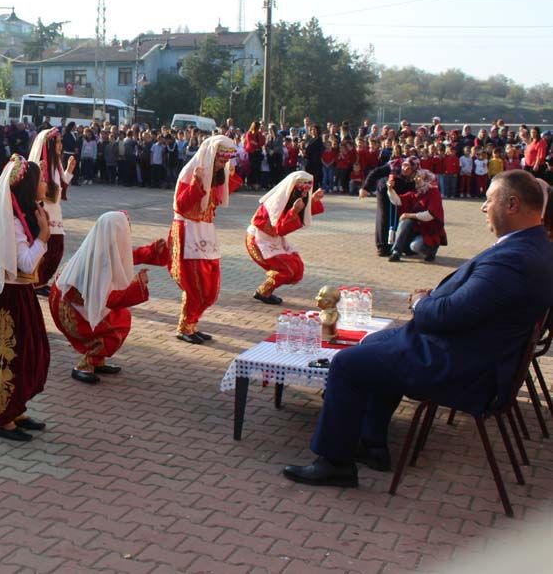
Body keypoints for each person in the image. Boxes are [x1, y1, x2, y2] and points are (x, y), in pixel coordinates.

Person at [283, 171, 553, 487]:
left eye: (488, 200)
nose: (483, 208)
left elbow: (444, 316)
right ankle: (372, 443)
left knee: (345, 364)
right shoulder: (535, 247)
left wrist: (422, 302)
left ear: (512, 204)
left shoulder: (514, 259)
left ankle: (334, 462)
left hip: (457, 363)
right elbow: (474, 304)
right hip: (470, 350)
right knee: (376, 344)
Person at [0, 155, 51, 442]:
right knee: (11, 357)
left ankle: (16, 409)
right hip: (8, 301)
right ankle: (2, 419)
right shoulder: (12, 222)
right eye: (40, 179)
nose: (45, 183)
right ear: (28, 185)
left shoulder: (24, 213)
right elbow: (25, 264)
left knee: (30, 353)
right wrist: (43, 236)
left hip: (20, 295)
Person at [49, 212, 169, 384]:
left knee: (118, 318)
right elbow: (111, 299)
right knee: (118, 325)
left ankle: (97, 360)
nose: (129, 232)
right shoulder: (99, 259)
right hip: (69, 310)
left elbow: (125, 258)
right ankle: (85, 365)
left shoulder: (101, 245)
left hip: (73, 303)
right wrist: (138, 285)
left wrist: (152, 251)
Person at [167, 135, 241, 343]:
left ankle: (192, 324)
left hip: (206, 231)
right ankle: (185, 327)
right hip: (187, 230)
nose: (223, 165)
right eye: (221, 161)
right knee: (195, 284)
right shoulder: (190, 173)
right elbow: (181, 206)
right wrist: (196, 184)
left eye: (226, 162)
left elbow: (217, 199)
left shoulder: (215, 174)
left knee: (209, 286)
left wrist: (231, 177)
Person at [245, 172, 325, 305]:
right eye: (303, 192)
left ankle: (265, 291)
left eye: (307, 192)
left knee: (297, 268)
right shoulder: (275, 202)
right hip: (258, 240)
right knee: (287, 269)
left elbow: (299, 215)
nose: (305, 195)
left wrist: (313, 201)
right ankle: (263, 291)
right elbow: (280, 228)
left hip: (274, 239)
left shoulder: (288, 199)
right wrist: (293, 212)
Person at [28, 128, 76, 296]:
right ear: (48, 144)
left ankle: (41, 281)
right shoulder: (41, 163)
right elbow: (36, 189)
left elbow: (60, 189)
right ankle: (37, 281)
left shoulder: (56, 162)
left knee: (57, 248)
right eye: (57, 142)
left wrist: (69, 170)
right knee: (50, 248)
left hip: (55, 211)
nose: (60, 145)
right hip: (45, 211)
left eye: (61, 141)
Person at [360, 156, 417, 257]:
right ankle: (382, 247)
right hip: (385, 186)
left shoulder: (419, 173)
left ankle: (403, 245)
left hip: (403, 187)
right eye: (404, 166)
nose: (405, 169)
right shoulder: (394, 165)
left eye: (409, 169)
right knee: (384, 215)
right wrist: (365, 188)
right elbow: (375, 172)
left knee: (405, 214)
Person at [387, 169, 446, 263]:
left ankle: (431, 251)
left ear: (426, 179)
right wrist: (390, 189)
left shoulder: (434, 192)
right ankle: (396, 252)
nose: (415, 179)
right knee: (406, 221)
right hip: (416, 229)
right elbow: (397, 201)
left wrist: (409, 215)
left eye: (418, 176)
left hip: (429, 231)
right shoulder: (415, 193)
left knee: (415, 246)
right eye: (415, 176)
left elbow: (430, 215)